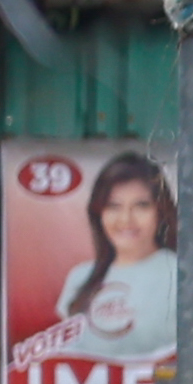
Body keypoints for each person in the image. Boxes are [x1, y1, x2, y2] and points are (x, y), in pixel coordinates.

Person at [62, 152, 181, 358]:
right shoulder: (80, 277)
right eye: (113, 206)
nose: (126, 219)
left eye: (141, 206)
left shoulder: (182, 274)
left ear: (161, 211)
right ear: (98, 213)